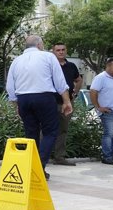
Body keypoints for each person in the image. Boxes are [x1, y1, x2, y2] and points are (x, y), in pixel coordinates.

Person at [6, 35, 72, 179]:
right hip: (44, 97)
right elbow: (60, 82)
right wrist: (66, 101)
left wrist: (16, 104)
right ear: (40, 45)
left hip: (23, 98)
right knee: (50, 132)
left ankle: (32, 167)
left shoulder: (16, 61)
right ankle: (38, 168)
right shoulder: (48, 57)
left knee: (31, 135)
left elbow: (10, 87)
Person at [51, 43, 83, 166]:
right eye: (58, 50)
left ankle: (59, 157)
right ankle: (41, 156)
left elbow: (79, 79)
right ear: (53, 51)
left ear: (66, 51)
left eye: (63, 49)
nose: (61, 52)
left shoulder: (71, 66)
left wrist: (75, 92)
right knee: (45, 130)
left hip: (67, 103)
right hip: (51, 103)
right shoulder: (50, 65)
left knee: (63, 130)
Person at [89, 57, 113, 165]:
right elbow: (93, 92)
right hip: (108, 112)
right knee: (109, 134)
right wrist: (98, 107)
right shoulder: (101, 77)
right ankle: (106, 157)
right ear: (108, 66)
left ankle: (111, 156)